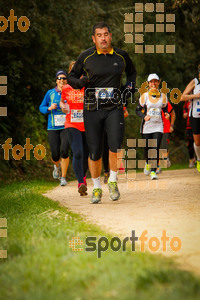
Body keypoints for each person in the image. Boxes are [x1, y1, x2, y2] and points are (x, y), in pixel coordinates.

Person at [67, 22, 136, 204]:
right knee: (95, 151)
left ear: (110, 36)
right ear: (94, 38)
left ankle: (112, 181)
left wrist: (127, 91)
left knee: (115, 145)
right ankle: (96, 187)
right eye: (99, 35)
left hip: (114, 108)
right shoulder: (86, 56)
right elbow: (71, 77)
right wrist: (79, 83)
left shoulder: (121, 56)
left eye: (106, 34)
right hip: (92, 109)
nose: (103, 38)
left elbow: (132, 73)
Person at [60, 61, 89, 196]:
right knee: (77, 152)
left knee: (88, 154)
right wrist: (62, 106)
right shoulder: (66, 88)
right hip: (72, 124)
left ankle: (83, 177)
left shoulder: (87, 86)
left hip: (88, 124)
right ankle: (80, 183)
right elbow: (62, 101)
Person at [136, 73, 169, 180]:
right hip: (146, 127)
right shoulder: (144, 96)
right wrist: (144, 116)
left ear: (158, 82)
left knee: (155, 148)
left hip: (158, 126)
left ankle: (153, 171)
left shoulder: (163, 96)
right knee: (147, 149)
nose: (153, 83)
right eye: (151, 82)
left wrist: (166, 113)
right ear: (148, 84)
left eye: (155, 81)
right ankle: (147, 163)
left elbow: (164, 108)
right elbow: (137, 110)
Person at [39, 70, 69, 186]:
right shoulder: (50, 93)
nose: (62, 80)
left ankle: (63, 178)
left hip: (66, 126)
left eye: (64, 78)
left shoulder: (70, 92)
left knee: (64, 151)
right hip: (53, 127)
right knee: (55, 154)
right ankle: (56, 166)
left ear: (67, 80)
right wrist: (49, 108)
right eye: (59, 78)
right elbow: (41, 107)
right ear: (56, 81)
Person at [181, 64, 200, 172]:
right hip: (195, 115)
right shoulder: (195, 82)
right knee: (197, 142)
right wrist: (196, 96)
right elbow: (182, 97)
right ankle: (198, 159)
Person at [156, 102, 176, 173]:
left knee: (164, 147)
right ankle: (157, 167)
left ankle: (165, 157)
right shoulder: (149, 102)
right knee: (156, 147)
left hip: (166, 128)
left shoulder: (166, 103)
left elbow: (173, 114)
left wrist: (172, 125)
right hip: (155, 128)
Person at [183, 100, 196, 168]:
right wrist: (185, 112)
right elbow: (185, 108)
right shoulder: (188, 100)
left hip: (198, 122)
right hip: (190, 124)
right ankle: (191, 159)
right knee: (190, 142)